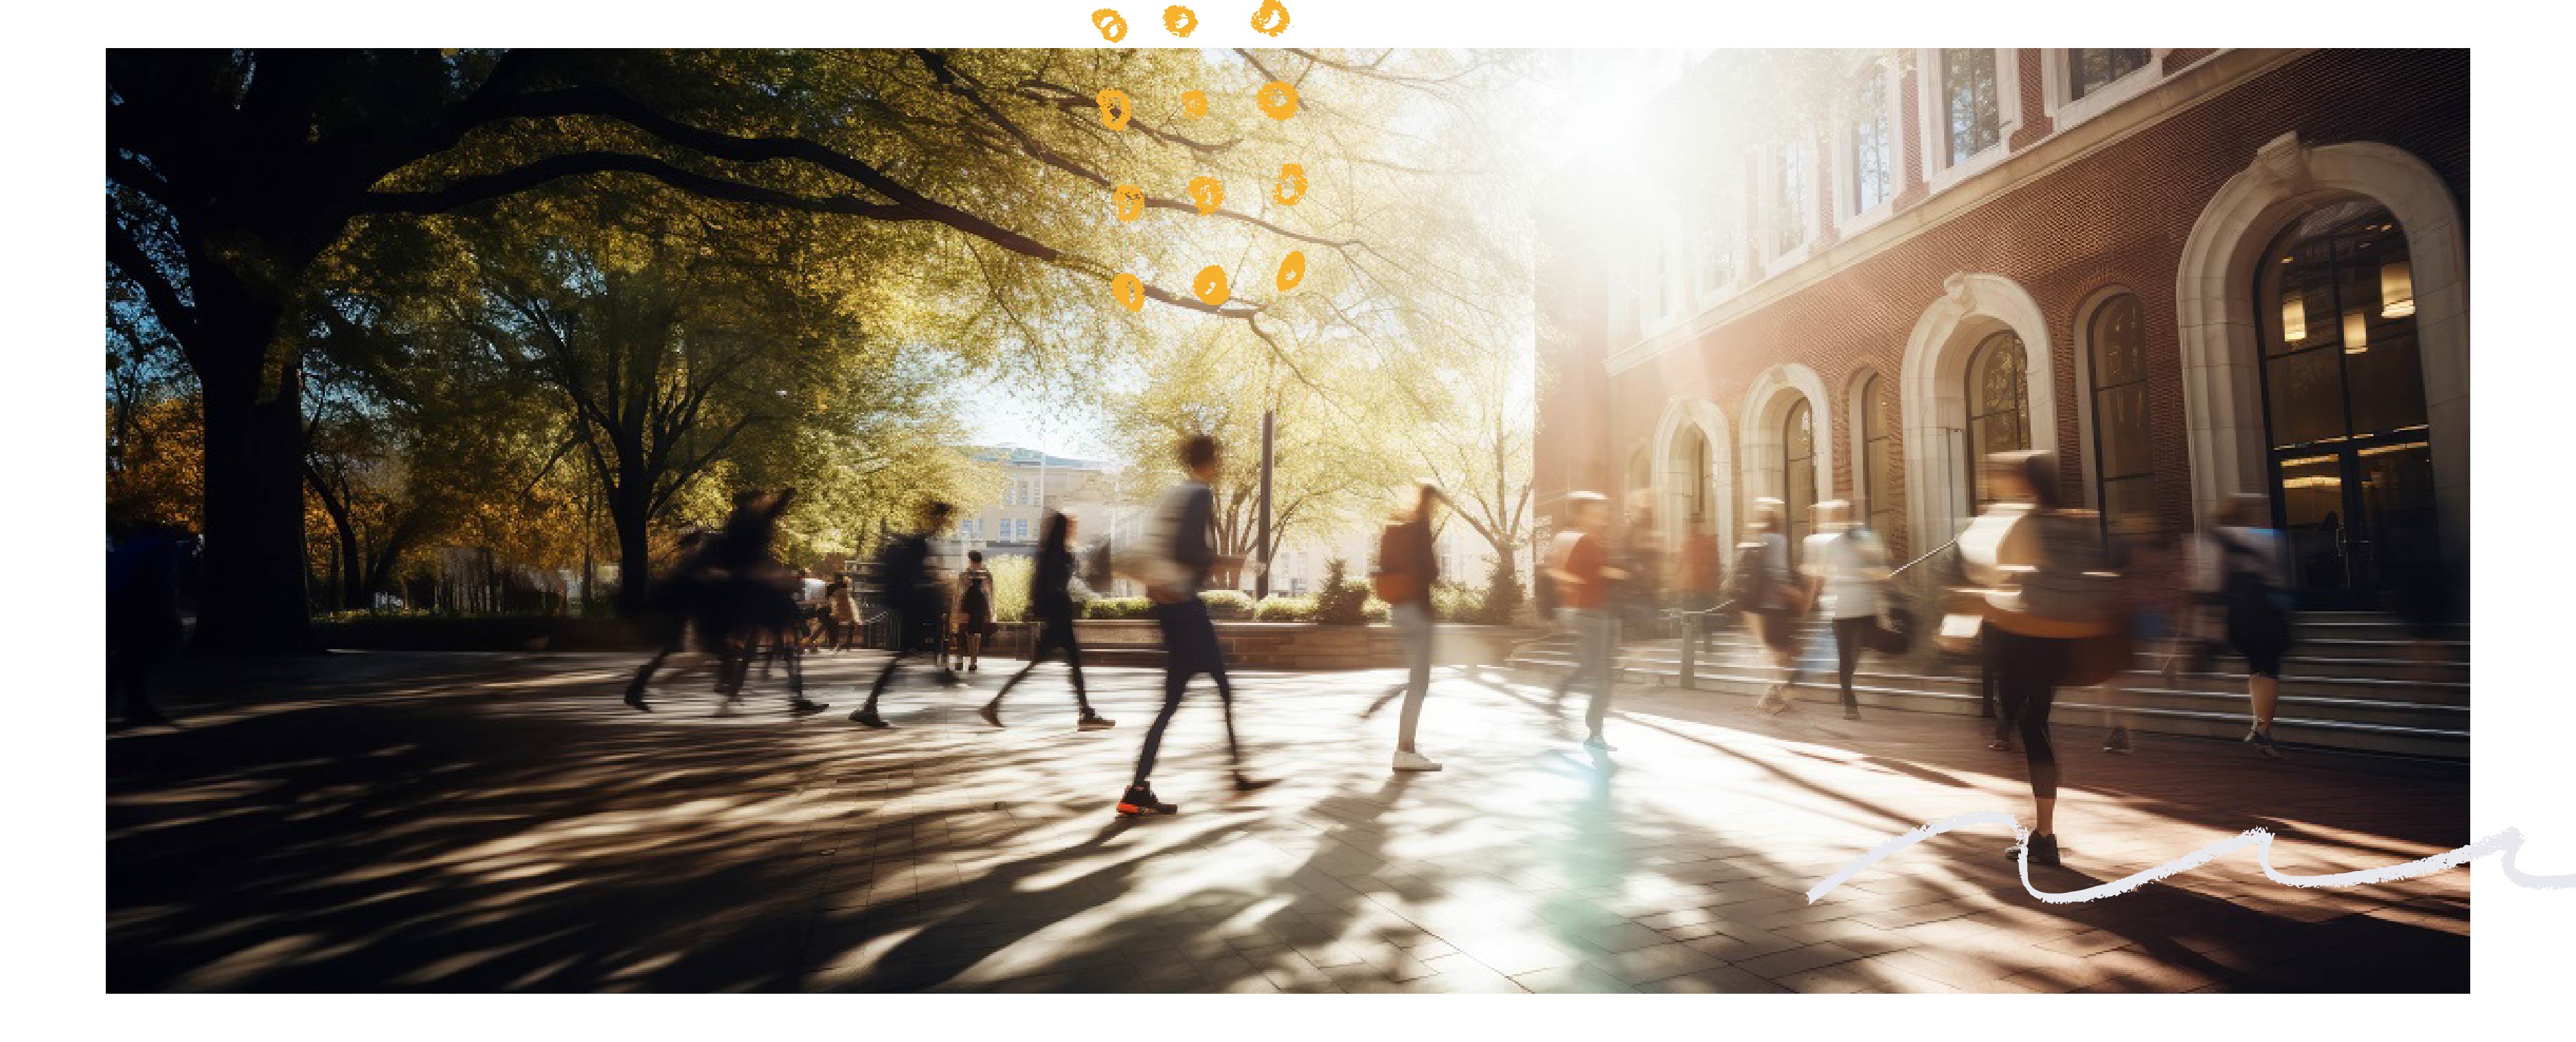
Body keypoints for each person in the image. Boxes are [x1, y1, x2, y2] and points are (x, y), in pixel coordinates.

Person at [1116, 436, 1275, 815]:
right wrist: (1232, 561)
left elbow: (1163, 550)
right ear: (1212, 460)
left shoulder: (1174, 494)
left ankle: (1136, 789)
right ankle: (1237, 777)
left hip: (1169, 609)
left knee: (1171, 704)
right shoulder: (1200, 494)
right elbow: (1188, 551)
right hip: (1186, 609)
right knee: (1223, 687)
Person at [1977, 450, 2119, 869]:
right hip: (2062, 644)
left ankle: (2044, 836)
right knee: (2035, 727)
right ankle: (2043, 833)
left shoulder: (2025, 522)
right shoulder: (2074, 523)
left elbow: (1997, 575)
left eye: (2006, 477)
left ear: (2025, 483)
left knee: (2027, 726)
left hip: (2028, 640)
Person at [984, 510, 1116, 731]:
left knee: (1055, 665)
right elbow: (1055, 584)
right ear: (1063, 528)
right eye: (1071, 526)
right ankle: (1086, 714)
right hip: (1059, 617)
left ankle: (994, 704)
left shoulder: (1051, 553)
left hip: (1057, 616)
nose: (1074, 530)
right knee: (1072, 665)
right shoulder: (1057, 555)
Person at [2192, 492, 2294, 759]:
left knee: (2254, 669)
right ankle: (2263, 730)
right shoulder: (2270, 539)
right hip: (2267, 614)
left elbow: (2206, 581)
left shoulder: (2213, 537)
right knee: (2268, 669)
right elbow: (2279, 579)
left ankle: (2257, 724)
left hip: (2236, 616)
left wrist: (2204, 620)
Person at [851, 501, 962, 728]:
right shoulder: (919, 543)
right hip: (914, 607)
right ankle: (870, 706)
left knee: (906, 654)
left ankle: (870, 705)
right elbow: (915, 573)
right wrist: (933, 584)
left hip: (912, 606)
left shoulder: (917, 541)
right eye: (942, 518)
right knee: (905, 654)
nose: (943, 523)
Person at [1369, 483, 1445, 772]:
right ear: (1431, 502)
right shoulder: (1422, 527)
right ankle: (1405, 749)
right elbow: (1431, 571)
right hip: (1417, 610)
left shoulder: (1396, 529)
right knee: (1420, 682)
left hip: (1398, 608)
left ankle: (1407, 746)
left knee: (1416, 679)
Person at [1544, 491, 1626, 750]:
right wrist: (1579, 581)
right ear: (1581, 514)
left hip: (1592, 611)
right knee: (1602, 675)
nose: (1601, 515)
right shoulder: (1581, 540)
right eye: (1595, 511)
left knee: (1591, 667)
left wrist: (1610, 574)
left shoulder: (1580, 539)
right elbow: (1560, 571)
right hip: (1588, 613)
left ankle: (1558, 697)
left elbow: (1567, 569)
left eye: (1602, 510)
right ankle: (1595, 733)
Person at [1800, 501, 1888, 721]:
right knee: (1846, 656)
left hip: (1863, 605)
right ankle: (1849, 700)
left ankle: (1845, 685)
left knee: (1855, 653)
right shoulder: (1832, 544)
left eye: (1841, 514)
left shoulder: (1863, 539)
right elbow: (1820, 577)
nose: (1839, 519)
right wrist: (1810, 601)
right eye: (1836, 515)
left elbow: (1878, 570)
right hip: (1842, 608)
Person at [107, 524, 189, 729]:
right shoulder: (161, 550)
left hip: (128, 605)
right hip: (144, 608)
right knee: (134, 659)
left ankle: (134, 705)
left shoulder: (132, 549)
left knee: (129, 659)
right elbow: (161, 582)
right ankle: (136, 706)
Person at [1735, 499, 1805, 715]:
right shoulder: (1777, 540)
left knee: (1775, 651)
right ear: (1778, 520)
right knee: (1784, 652)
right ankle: (1774, 693)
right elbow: (1778, 572)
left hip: (1757, 606)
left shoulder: (1756, 540)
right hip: (1775, 605)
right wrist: (1794, 594)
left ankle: (1772, 693)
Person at [1677, 526, 1726, 657]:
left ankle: (1692, 645)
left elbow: (1680, 564)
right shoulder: (1707, 543)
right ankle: (1707, 644)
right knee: (1705, 617)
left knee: (1692, 617)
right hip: (1702, 587)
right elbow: (1715, 566)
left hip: (1692, 587)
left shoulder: (1689, 543)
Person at [953, 550, 995, 672]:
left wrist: (955, 609)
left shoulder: (966, 574)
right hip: (980, 604)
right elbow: (991, 592)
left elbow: (959, 592)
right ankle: (973, 662)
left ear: (971, 560)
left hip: (968, 604)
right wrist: (991, 610)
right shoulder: (986, 573)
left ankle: (962, 660)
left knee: (966, 632)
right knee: (976, 634)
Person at [825, 573, 858, 651]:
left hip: (839, 612)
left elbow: (829, 600)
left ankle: (834, 644)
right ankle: (847, 644)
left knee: (829, 621)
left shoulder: (832, 588)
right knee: (852, 622)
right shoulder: (845, 589)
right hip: (848, 612)